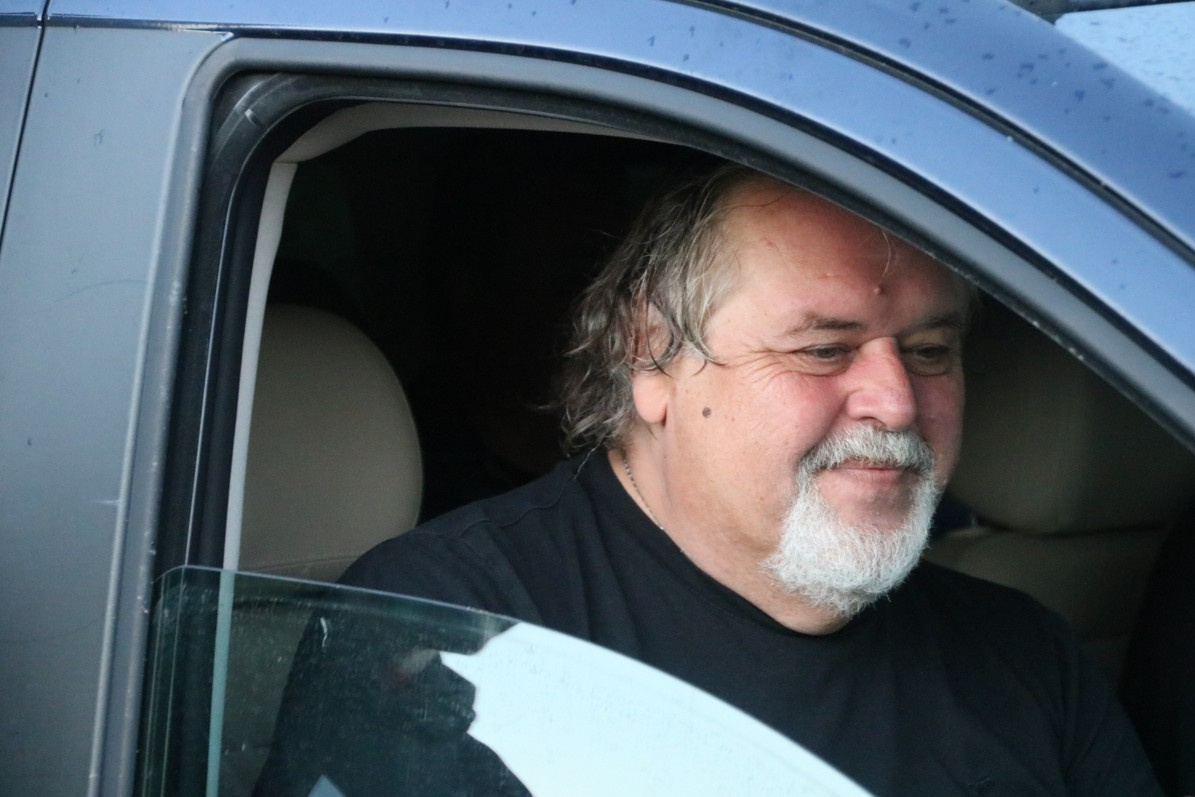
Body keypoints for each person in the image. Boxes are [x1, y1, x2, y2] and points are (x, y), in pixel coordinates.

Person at [281, 164, 1162, 795]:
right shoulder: (451, 628)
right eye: (823, 350)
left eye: (930, 351)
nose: (896, 402)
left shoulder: (1022, 656)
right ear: (651, 355)